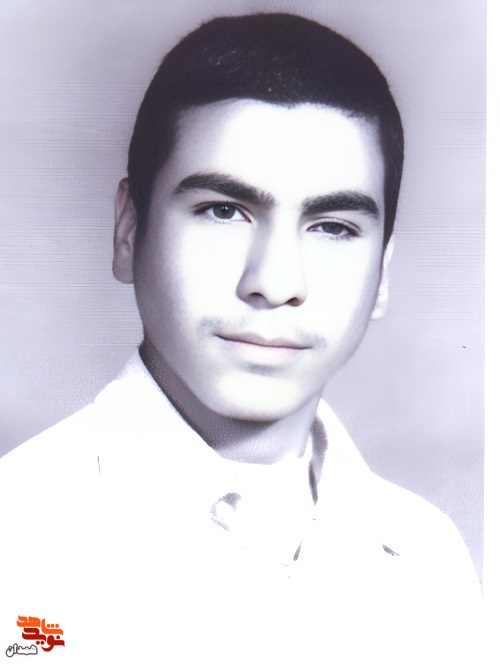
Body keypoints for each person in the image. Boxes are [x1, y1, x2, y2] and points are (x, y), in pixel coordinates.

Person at [0, 13, 484, 665]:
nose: (275, 283)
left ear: (383, 272)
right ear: (128, 231)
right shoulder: (16, 535)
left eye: (334, 226)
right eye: (223, 211)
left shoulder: (430, 560)